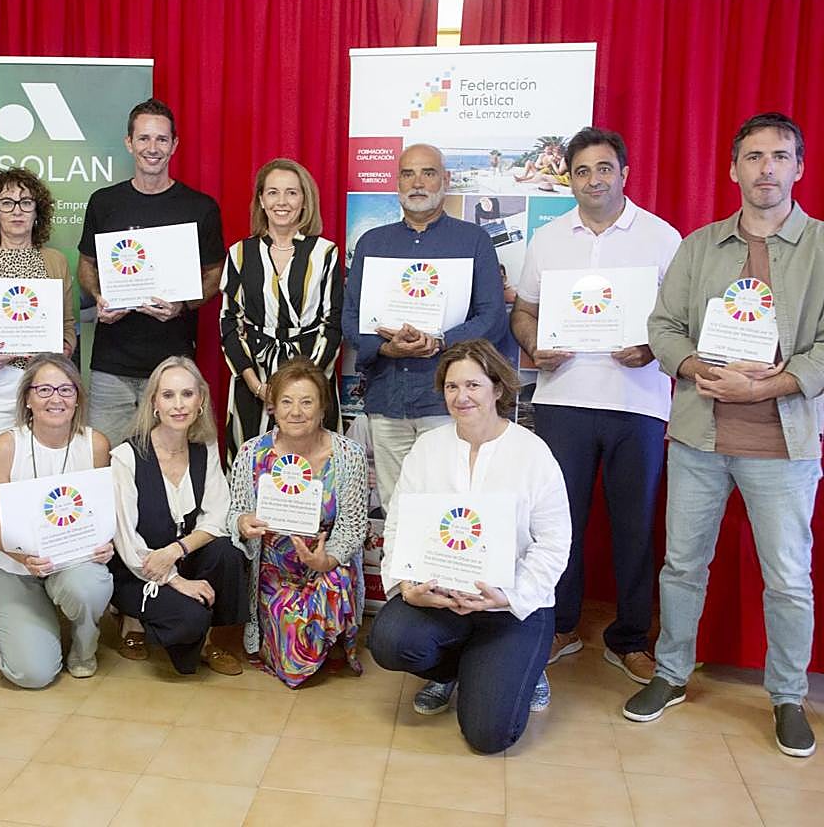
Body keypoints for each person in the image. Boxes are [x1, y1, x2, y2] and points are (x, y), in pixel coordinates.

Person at [630, 113, 824, 758]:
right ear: (733, 168)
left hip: (784, 444)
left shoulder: (822, 247)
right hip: (699, 438)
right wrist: (693, 366)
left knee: (789, 578)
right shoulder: (700, 245)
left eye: (779, 156)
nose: (766, 168)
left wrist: (771, 386)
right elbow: (663, 327)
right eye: (753, 157)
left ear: (799, 166)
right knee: (682, 565)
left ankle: (788, 695)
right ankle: (670, 673)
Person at [510, 127, 682, 684]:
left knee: (635, 526)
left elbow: (683, 322)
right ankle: (561, 626)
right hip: (563, 400)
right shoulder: (550, 238)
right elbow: (525, 312)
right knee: (562, 523)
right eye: (581, 171)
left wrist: (654, 347)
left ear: (624, 173)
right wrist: (535, 346)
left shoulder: (661, 237)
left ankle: (630, 638)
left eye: (603, 168)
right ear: (571, 178)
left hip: (639, 403)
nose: (593, 180)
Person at [368, 339, 571, 754]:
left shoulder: (533, 453)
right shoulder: (428, 449)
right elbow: (401, 525)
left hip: (508, 607)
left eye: (474, 386)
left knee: (488, 736)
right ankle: (451, 671)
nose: (462, 397)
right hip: (441, 600)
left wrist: (509, 597)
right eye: (452, 387)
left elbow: (554, 542)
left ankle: (522, 669)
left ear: (497, 388)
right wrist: (407, 585)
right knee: (389, 640)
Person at [341, 143, 507, 506]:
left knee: (450, 505)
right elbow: (350, 318)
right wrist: (385, 347)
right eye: (408, 174)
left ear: (445, 180)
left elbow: (492, 317)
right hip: (387, 400)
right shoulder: (372, 243)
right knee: (395, 507)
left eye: (428, 173)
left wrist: (439, 342)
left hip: (447, 402)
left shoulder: (473, 241)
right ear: (397, 183)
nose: (418, 182)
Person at [0, 167, 76, 646]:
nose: (17, 211)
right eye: (7, 202)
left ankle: (37, 588)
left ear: (37, 211)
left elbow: (68, 328)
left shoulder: (55, 262)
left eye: (26, 202)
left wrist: (58, 345)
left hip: (41, 391)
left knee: (39, 488)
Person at [77, 98, 226, 446]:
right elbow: (86, 265)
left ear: (174, 145)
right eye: (144, 138)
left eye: (161, 139)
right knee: (107, 464)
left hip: (173, 365)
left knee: (170, 464)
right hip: (111, 365)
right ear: (129, 143)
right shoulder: (104, 202)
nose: (152, 148)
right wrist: (100, 296)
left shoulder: (200, 208)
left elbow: (216, 273)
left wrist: (183, 305)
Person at [0, 354, 114, 686]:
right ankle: (11, 626)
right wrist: (22, 556)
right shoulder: (8, 445)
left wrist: (106, 544)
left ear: (78, 397)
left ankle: (83, 647)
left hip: (72, 562)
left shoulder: (95, 444)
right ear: (27, 399)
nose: (56, 399)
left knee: (90, 585)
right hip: (14, 566)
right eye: (45, 390)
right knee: (33, 674)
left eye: (66, 390)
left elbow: (103, 512)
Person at [228, 357, 367, 687]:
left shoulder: (349, 454)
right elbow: (235, 513)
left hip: (327, 566)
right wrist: (243, 523)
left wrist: (326, 559)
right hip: (273, 574)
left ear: (322, 408)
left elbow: (354, 526)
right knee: (293, 664)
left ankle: (328, 635)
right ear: (272, 407)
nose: (296, 411)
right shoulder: (251, 453)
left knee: (335, 580)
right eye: (286, 402)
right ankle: (305, 637)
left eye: (307, 402)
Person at [109, 356, 246, 675]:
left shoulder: (205, 446)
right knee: (189, 620)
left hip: (179, 557)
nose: (178, 404)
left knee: (227, 553)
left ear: (200, 400)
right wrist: (176, 580)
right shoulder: (127, 456)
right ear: (154, 402)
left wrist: (177, 551)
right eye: (168, 395)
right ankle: (133, 620)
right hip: (140, 568)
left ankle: (213, 641)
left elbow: (217, 516)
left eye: (187, 394)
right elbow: (127, 541)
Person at [219, 158, 343, 465]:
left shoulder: (325, 252)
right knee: (252, 466)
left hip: (311, 373)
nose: (282, 202)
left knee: (314, 466)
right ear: (261, 200)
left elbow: (333, 324)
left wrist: (305, 387)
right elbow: (229, 323)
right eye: (273, 193)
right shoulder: (239, 253)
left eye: (291, 193)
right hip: (254, 375)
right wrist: (257, 386)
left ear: (304, 201)